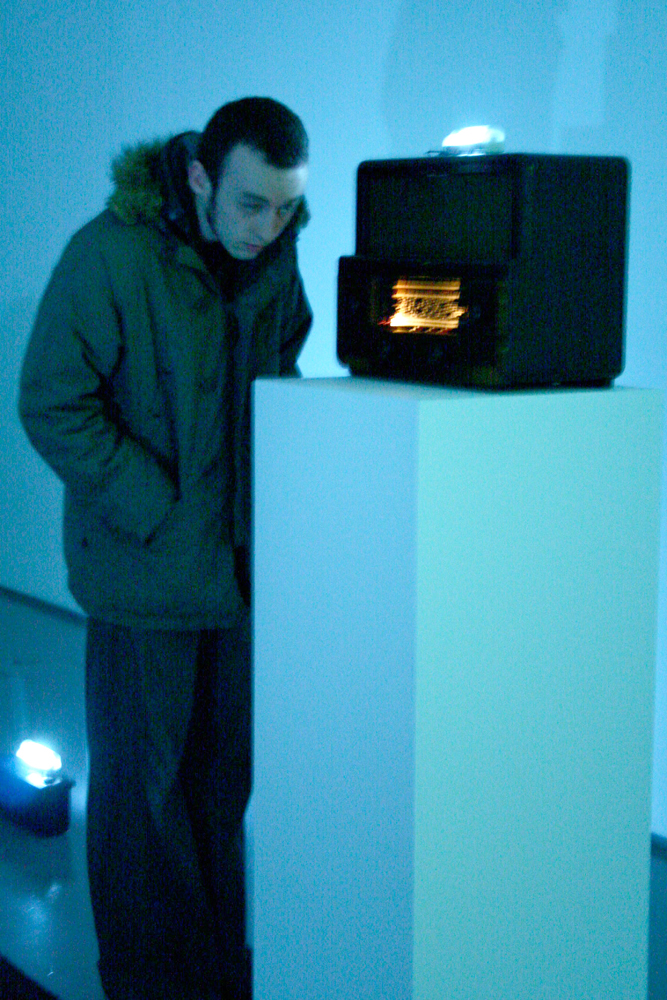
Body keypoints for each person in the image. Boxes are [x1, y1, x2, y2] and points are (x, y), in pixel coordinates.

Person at [18, 97, 311, 1000]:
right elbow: (50, 401)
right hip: (145, 583)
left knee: (219, 801)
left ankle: (217, 978)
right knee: (141, 814)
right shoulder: (109, 253)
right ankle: (149, 986)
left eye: (287, 206)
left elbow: (281, 380)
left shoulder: (273, 258)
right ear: (196, 177)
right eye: (251, 203)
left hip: (238, 583)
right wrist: (158, 507)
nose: (269, 227)